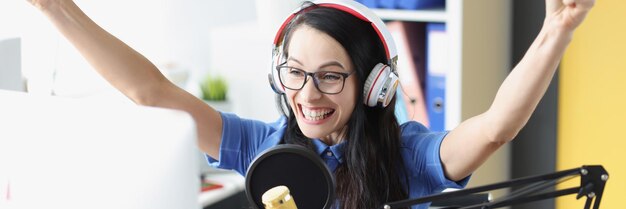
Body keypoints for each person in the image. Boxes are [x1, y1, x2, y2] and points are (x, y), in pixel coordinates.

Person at [26, 0, 595, 208]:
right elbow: (150, 93)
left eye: (329, 77)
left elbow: (494, 129)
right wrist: (55, 9)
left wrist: (556, 30)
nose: (307, 95)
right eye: (295, 74)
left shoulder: (410, 153)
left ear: (374, 86)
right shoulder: (261, 144)